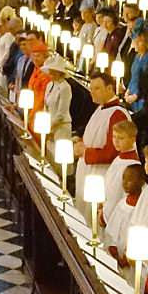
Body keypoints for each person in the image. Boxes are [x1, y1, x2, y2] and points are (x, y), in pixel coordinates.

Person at [73, 73, 129, 204]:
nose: (92, 92)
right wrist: (80, 142)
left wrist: (85, 152)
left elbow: (113, 152)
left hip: (100, 175)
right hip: (88, 172)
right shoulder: (101, 108)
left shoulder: (117, 114)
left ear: (109, 88)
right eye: (91, 88)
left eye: (97, 88)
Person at [101, 117, 140, 226]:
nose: (116, 141)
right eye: (114, 137)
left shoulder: (131, 165)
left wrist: (104, 215)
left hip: (117, 216)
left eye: (121, 138)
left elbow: (117, 194)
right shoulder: (119, 158)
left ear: (133, 139)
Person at [104, 163, 146, 264]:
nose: (125, 183)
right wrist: (113, 249)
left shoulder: (142, 208)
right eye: (123, 179)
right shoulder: (122, 203)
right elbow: (112, 230)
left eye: (130, 180)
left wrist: (127, 258)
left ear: (141, 182)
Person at [38, 52, 72, 140]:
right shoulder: (50, 85)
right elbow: (46, 106)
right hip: (49, 125)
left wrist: (49, 128)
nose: (51, 74)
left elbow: (61, 114)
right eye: (50, 71)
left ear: (60, 73)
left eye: (54, 72)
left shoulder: (65, 87)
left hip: (61, 128)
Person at [125, 29, 148, 115]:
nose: (134, 44)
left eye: (137, 42)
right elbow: (133, 77)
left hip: (141, 97)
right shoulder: (137, 56)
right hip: (132, 94)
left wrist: (136, 96)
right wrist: (128, 91)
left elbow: (146, 80)